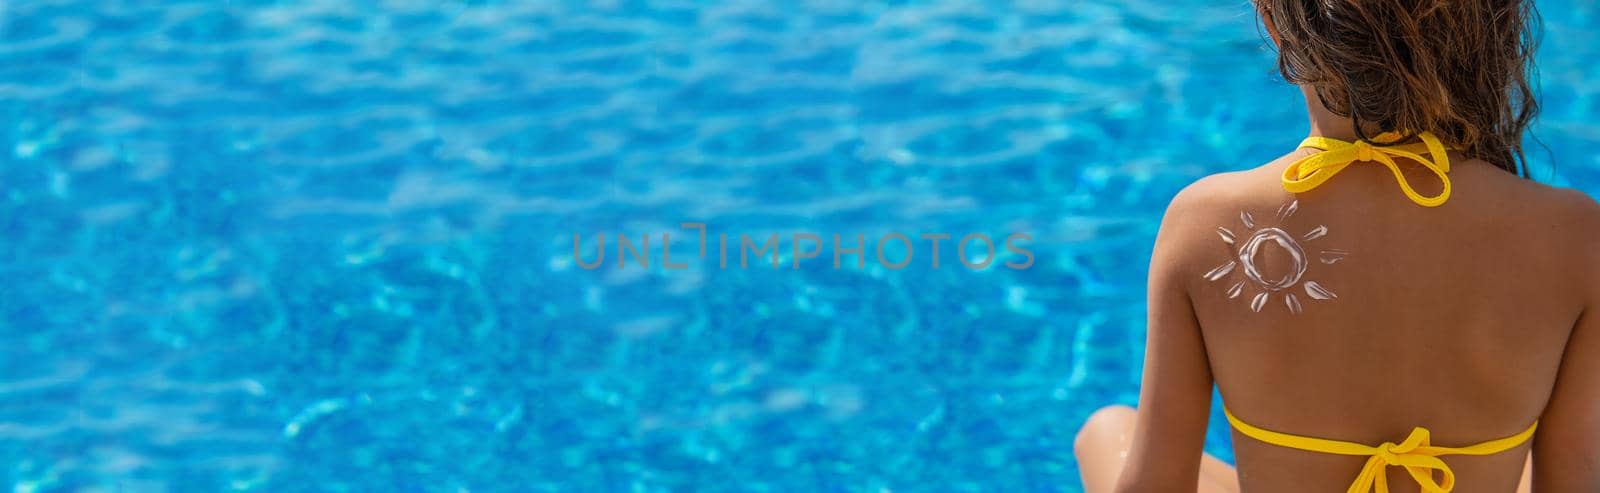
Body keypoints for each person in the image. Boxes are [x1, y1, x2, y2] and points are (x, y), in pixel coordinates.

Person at [1074, 1, 1600, 492]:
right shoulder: (1572, 232)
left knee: (1107, 428)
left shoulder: (1204, 222)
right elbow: (1575, 478)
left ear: (1276, 27)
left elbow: (1156, 484)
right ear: (1494, 35)